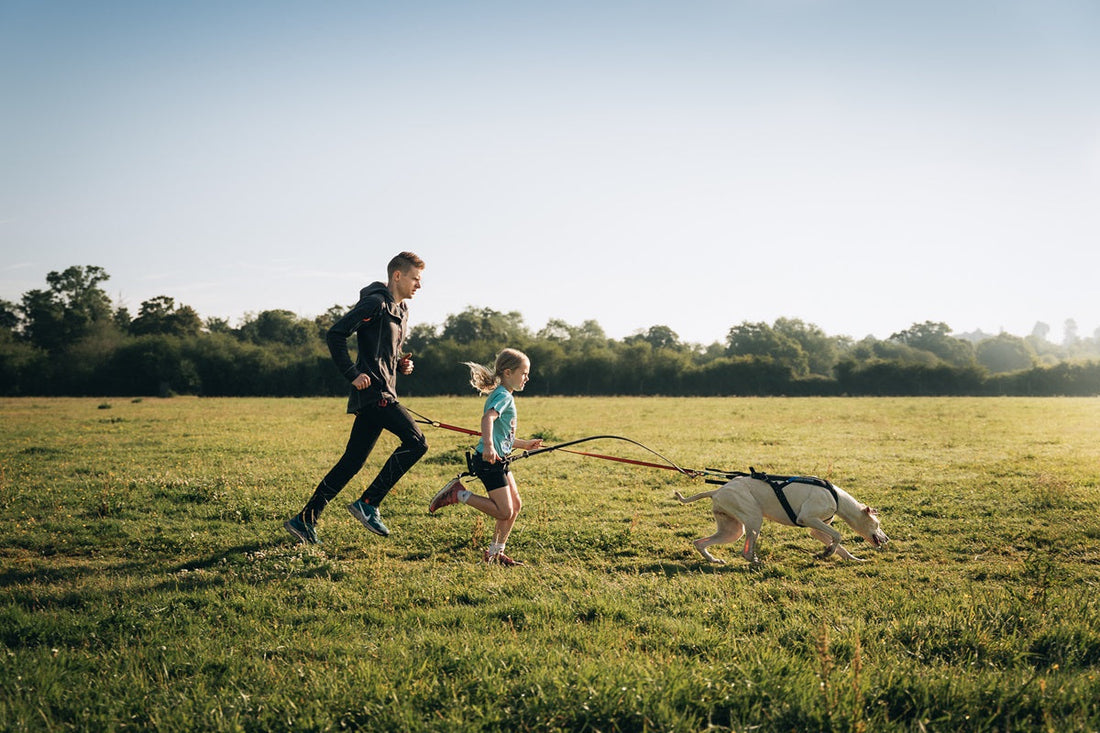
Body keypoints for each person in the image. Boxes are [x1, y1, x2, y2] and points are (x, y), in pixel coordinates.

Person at [284, 251, 428, 545]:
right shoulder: (375, 303)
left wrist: (400, 363)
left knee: (352, 462)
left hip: (383, 390)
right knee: (417, 442)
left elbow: (384, 350)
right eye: (415, 278)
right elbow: (336, 334)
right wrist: (352, 373)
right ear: (398, 276)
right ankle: (369, 503)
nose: (419, 285)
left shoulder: (400, 311)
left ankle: (304, 520)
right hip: (375, 394)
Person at [428, 348, 543, 566]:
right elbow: (488, 419)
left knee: (515, 506)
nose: (527, 378)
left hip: (499, 460)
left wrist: (524, 444)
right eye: (524, 373)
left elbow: (503, 434)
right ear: (508, 373)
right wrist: (489, 446)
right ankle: (458, 494)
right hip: (489, 461)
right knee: (504, 510)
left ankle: (495, 554)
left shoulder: (505, 395)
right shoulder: (502, 395)